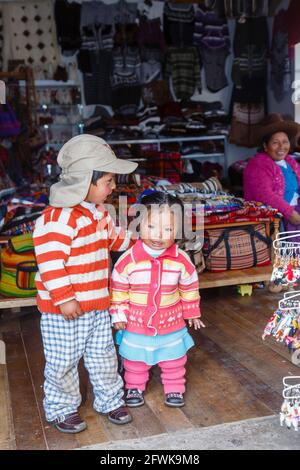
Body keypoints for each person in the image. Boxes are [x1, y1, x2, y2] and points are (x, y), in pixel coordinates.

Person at [33, 134, 138, 433]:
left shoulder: (99, 212)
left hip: (96, 305)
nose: (113, 187)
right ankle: (61, 408)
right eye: (108, 181)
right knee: (63, 361)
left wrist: (141, 242)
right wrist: (65, 298)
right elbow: (50, 263)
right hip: (63, 310)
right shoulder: (56, 219)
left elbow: (115, 238)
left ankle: (109, 399)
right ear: (83, 182)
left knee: (103, 356)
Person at [109, 192, 205, 408]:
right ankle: (134, 386)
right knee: (135, 359)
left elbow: (189, 285)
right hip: (136, 321)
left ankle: (174, 388)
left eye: (168, 229)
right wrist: (118, 314)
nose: (158, 235)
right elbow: (119, 288)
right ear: (138, 224)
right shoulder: (128, 260)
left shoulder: (181, 260)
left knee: (174, 359)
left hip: (170, 321)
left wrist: (191, 312)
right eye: (151, 226)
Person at [244, 113, 300, 231]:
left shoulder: (290, 162)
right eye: (275, 142)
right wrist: (289, 213)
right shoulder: (257, 165)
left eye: (285, 142)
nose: (281, 147)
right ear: (265, 146)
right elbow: (265, 195)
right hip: (274, 220)